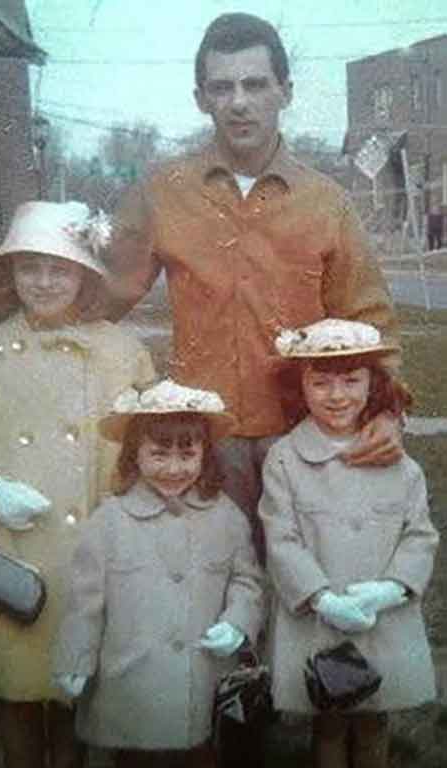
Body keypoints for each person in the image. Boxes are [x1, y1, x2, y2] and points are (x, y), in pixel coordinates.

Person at [85, 12, 402, 559]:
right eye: (221, 86)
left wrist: (387, 411)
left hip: (307, 434)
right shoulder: (165, 192)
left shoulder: (326, 201)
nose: (239, 102)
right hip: (205, 442)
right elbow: (98, 297)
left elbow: (369, 320)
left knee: (309, 586)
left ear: (285, 90)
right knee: (211, 596)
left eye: (255, 84)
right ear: (200, 97)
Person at [0, 200, 155, 768]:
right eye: (30, 268)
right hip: (9, 543)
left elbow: (142, 445)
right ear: (10, 277)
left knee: (72, 679)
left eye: (60, 269)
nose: (45, 283)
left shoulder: (122, 352)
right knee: (16, 687)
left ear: (86, 276)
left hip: (88, 537)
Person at [52, 378, 264, 768]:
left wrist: (237, 622)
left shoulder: (225, 515)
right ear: (134, 455)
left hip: (200, 672)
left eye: (187, 453)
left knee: (203, 761)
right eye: (159, 453)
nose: (173, 467)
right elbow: (85, 602)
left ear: (205, 454)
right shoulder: (108, 521)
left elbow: (247, 581)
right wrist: (76, 659)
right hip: (131, 671)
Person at [258, 319, 438, 768]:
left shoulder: (400, 465)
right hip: (321, 616)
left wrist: (390, 588)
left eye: (351, 380)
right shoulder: (286, 460)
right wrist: (321, 598)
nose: (337, 395)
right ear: (302, 387)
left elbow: (419, 534)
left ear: (372, 385)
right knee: (330, 720)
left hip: (382, 616)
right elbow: (282, 537)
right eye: (321, 382)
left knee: (375, 719)